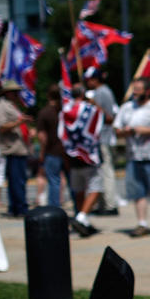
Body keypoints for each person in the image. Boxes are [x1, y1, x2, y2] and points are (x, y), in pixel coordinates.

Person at [113, 77, 150, 237]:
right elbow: (116, 128)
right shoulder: (126, 108)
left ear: (147, 91)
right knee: (138, 192)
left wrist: (146, 130)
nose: (135, 93)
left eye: (138, 90)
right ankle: (142, 223)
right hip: (133, 156)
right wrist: (126, 131)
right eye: (134, 89)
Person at [65, 86, 103, 238]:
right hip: (89, 156)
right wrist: (94, 104)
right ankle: (81, 217)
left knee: (79, 190)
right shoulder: (90, 109)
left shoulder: (66, 110)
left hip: (73, 156)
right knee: (95, 189)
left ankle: (82, 219)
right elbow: (105, 119)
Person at [83, 66, 120, 215]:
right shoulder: (100, 92)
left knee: (106, 172)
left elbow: (110, 118)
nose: (87, 83)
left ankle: (110, 204)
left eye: (89, 80)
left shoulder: (103, 92)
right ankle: (103, 203)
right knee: (100, 172)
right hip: (99, 138)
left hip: (104, 137)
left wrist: (94, 105)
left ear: (95, 79)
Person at [0, 80, 32, 217]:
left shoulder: (12, 105)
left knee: (17, 180)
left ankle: (15, 208)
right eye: (15, 92)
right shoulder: (1, 106)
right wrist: (20, 122)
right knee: (17, 180)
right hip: (12, 148)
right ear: (8, 93)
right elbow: (2, 126)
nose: (18, 94)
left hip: (19, 147)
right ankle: (20, 208)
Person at [35, 85, 65, 208]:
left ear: (48, 96)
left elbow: (43, 137)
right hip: (66, 151)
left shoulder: (44, 113)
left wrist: (42, 153)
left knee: (53, 180)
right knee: (69, 180)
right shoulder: (65, 111)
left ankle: (55, 207)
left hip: (52, 151)